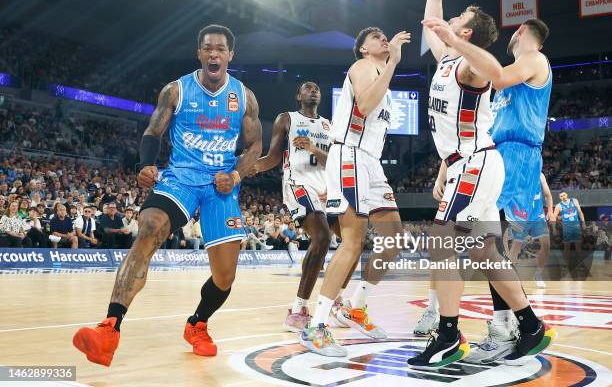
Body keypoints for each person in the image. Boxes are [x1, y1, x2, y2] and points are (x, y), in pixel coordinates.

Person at [73, 24, 262, 366]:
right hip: (181, 179)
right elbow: (153, 131)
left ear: (230, 55)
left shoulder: (244, 96)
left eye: (220, 49)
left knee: (225, 276)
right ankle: (109, 327)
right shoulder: (176, 91)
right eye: (207, 48)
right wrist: (146, 164)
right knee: (149, 228)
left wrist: (236, 173)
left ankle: (197, 324)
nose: (213, 54)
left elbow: (255, 145)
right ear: (199, 53)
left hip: (220, 185)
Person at [408, 0, 555, 368]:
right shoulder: (448, 60)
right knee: (484, 250)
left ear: (467, 32)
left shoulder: (472, 65)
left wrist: (453, 39)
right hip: (466, 162)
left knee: (442, 243)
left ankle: (448, 334)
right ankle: (529, 323)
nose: (450, 20)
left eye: (459, 19)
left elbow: (495, 72)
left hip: (477, 163)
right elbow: (431, 19)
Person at [300, 26, 411, 356]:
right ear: (363, 49)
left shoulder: (384, 81)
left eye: (383, 35)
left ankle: (354, 307)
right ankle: (316, 325)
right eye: (375, 37)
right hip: (348, 154)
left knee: (393, 240)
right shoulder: (363, 68)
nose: (382, 38)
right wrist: (394, 62)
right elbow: (363, 105)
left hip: (370, 162)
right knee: (353, 241)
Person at [250, 81, 341, 332]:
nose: (314, 90)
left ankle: (337, 300)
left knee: (352, 239)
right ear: (298, 95)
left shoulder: (327, 125)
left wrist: (312, 148)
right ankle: (298, 310)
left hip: (325, 188)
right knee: (321, 238)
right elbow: (272, 157)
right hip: (298, 183)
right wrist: (250, 166)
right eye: (308, 87)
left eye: (317, 88)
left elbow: (333, 161)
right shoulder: (286, 118)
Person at [552, 192, 586, 274]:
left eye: (564, 195)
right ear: (560, 198)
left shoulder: (574, 201)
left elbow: (580, 212)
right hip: (567, 228)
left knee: (578, 247)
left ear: (567, 195)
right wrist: (554, 228)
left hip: (576, 227)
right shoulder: (559, 206)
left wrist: (583, 223)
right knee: (566, 247)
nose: (563, 196)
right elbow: (553, 217)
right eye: (561, 196)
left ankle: (581, 264)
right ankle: (565, 265)